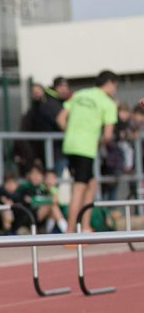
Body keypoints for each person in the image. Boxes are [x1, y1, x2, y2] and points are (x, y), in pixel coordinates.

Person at [57, 70, 118, 234]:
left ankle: (85, 226)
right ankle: (70, 231)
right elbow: (107, 135)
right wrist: (96, 142)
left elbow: (61, 118)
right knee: (79, 188)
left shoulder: (79, 94)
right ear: (110, 83)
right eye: (115, 86)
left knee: (91, 185)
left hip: (70, 145)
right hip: (86, 148)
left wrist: (71, 133)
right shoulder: (108, 103)